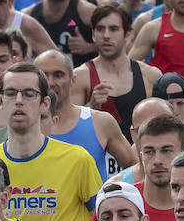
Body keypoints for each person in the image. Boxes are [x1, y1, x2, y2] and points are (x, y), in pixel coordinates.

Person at [0, 63, 103, 221]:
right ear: (0, 102)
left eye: (29, 94)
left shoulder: (77, 159)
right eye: (10, 93)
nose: (18, 100)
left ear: (45, 104)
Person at [76, 114, 184, 221]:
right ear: (141, 156)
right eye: (149, 152)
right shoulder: (115, 204)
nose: (157, 160)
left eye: (166, 150)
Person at [35, 49, 138, 179]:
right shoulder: (22, 125)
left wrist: (116, 195)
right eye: (44, 76)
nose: (50, 83)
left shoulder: (101, 122)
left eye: (58, 75)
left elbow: (134, 168)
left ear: (73, 79)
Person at [74, 3, 163, 142]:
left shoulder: (150, 76)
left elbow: (165, 127)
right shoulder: (80, 77)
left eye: (113, 29)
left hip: (140, 159)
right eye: (100, 29)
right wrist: (90, 107)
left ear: (128, 34)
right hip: (97, 160)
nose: (106, 35)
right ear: (93, 34)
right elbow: (68, 129)